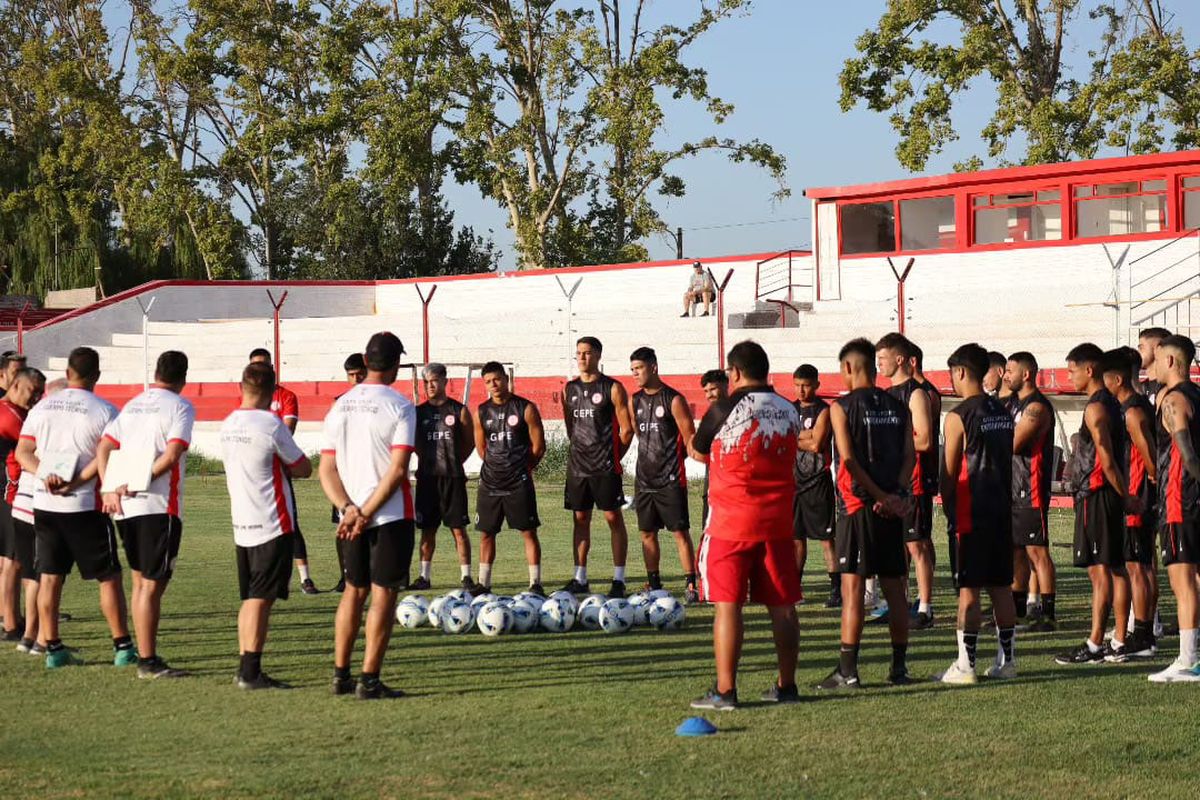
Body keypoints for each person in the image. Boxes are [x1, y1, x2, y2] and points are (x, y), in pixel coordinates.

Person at [689, 340, 801, 709]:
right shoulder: (789, 409)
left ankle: (726, 690)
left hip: (730, 523)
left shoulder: (724, 406)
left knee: (728, 607)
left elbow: (699, 447)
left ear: (734, 373)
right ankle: (787, 687)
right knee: (783, 607)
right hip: (779, 523)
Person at [15, 346, 131, 668]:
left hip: (45, 503)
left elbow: (24, 452)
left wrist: (46, 476)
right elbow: (106, 457)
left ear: (67, 373)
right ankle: (122, 646)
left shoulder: (42, 407)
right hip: (84, 506)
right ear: (96, 376)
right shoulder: (105, 411)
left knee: (49, 576)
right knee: (108, 576)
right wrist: (77, 482)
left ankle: (53, 649)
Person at [319, 332, 416, 700]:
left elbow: (326, 470)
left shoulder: (340, 405)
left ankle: (340, 675)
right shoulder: (400, 405)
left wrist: (348, 510)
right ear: (395, 364)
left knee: (352, 594)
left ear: (365, 358)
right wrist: (367, 513)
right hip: (388, 516)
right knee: (383, 597)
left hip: (349, 518)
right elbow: (396, 472)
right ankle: (369, 680)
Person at [818, 338, 914, 689]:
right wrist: (896, 494)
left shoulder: (841, 407)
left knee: (853, 589)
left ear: (848, 368)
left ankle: (848, 670)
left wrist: (878, 496)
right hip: (890, 508)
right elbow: (910, 457)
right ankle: (899, 670)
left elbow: (848, 461)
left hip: (857, 507)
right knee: (894, 589)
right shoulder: (898, 406)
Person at [94, 351, 195, 679]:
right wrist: (139, 479)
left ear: (156, 372)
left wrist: (109, 486)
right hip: (157, 505)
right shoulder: (180, 406)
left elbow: (104, 447)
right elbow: (173, 453)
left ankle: (144, 654)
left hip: (126, 509)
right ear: (183, 378)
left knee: (141, 583)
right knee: (152, 585)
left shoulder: (134, 404)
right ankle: (148, 661)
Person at [220, 362, 312, 689]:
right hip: (271, 521)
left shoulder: (228, 424)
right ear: (273, 391)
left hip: (241, 522)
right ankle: (250, 671)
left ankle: (245, 664)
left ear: (241, 387)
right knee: (262, 598)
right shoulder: (271, 425)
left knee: (251, 597)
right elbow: (301, 468)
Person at [937, 343, 1017, 684]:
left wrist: (949, 508)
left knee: (968, 590)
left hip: (972, 511)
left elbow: (949, 472)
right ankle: (1007, 661)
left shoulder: (958, 416)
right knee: (1001, 587)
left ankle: (965, 664)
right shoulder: (1002, 411)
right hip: (1001, 510)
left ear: (959, 372)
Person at [1056, 343, 1131, 665]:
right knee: (1114, 568)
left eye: (1072, 370)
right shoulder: (1109, 404)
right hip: (1102, 495)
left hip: (1098, 495)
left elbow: (1106, 458)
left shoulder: (1097, 407)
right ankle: (1118, 640)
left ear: (1089, 370)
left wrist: (1125, 496)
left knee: (1102, 572)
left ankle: (1096, 643)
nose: (1068, 376)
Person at [560, 336, 633, 597]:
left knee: (613, 518)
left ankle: (618, 580)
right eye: (579, 353)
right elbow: (571, 428)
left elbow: (626, 430)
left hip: (605, 468)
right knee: (580, 520)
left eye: (587, 353)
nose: (582, 358)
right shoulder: (568, 389)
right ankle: (580, 578)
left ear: (599, 355)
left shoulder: (613, 388)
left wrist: (613, 456)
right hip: (578, 468)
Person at [1100, 347, 1159, 661]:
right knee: (1141, 566)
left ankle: (1143, 635)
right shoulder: (1129, 407)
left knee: (1137, 567)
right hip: (1137, 494)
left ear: (1117, 379)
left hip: (1138, 496)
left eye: (1104, 379)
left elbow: (1149, 457)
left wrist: (1147, 489)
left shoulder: (1132, 411)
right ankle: (1144, 632)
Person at [875, 333, 936, 629]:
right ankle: (898, 603)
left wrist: (893, 445)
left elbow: (924, 439)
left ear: (899, 359)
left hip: (915, 481)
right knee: (897, 546)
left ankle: (925, 608)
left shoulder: (916, 393)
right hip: (892, 482)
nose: (878, 365)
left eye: (882, 359)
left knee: (917, 545)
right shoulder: (886, 395)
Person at [1148, 334, 1200, 682]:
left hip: (1179, 499)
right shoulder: (1198, 395)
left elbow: (1188, 455)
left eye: (1155, 358)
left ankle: (1187, 659)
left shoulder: (1174, 400)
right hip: (1191, 498)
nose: (1151, 365)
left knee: (1183, 581)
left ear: (1170, 361)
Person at [628, 347, 698, 602]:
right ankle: (654, 583)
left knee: (679, 532)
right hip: (644, 480)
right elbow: (639, 434)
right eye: (633, 370)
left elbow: (689, 439)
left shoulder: (673, 399)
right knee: (647, 533)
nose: (635, 374)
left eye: (639, 369)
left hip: (670, 479)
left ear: (653, 367)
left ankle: (691, 584)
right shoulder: (634, 400)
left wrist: (670, 462)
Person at [247, 348, 317, 594]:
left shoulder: (285, 396)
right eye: (255, 367)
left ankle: (304, 578)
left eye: (264, 366)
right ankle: (265, 577)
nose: (261, 372)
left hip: (279, 471)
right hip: (253, 474)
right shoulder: (245, 400)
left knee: (290, 524)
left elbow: (286, 433)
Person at [473, 361, 546, 595]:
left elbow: (539, 447)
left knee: (528, 532)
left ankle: (535, 583)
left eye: (496, 379)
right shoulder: (481, 411)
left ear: (505, 378)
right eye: (488, 382)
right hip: (490, 483)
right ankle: (483, 584)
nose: (493, 385)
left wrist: (523, 469)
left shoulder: (525, 408)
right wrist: (497, 467)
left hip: (518, 483)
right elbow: (481, 449)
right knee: (486, 534)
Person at [1004, 352, 1059, 632]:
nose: (1005, 375)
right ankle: (1017, 612)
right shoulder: (1014, 404)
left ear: (1026, 374)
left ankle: (1047, 615)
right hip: (1012, 486)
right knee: (1016, 551)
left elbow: (1013, 443)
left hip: (1030, 487)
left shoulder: (1037, 406)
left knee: (1037, 551)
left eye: (1010, 370)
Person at [410, 363, 476, 593]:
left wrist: (454, 461)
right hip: (427, 479)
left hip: (453, 479)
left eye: (434, 381)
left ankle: (466, 576)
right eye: (426, 382)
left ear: (445, 381)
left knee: (458, 529)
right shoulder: (418, 412)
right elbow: (416, 444)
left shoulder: (459, 410)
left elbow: (470, 442)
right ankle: (424, 576)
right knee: (427, 530)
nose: (430, 386)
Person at [0, 368, 43, 641]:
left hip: (5, 492)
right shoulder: (12, 416)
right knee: (13, 561)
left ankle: (10, 618)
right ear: (16, 386)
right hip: (9, 494)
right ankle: (11, 624)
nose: (36, 397)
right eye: (32, 390)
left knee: (8, 560)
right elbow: (31, 449)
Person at [791, 364, 839, 608]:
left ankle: (836, 589)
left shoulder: (824, 410)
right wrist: (804, 438)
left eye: (806, 385)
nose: (801, 390)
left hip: (818, 480)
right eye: (797, 384)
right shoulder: (789, 409)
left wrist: (796, 438)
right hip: (793, 483)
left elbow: (818, 444)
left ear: (817, 385)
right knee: (796, 539)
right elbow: (786, 438)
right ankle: (795, 589)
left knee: (826, 539)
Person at [698, 369, 729, 527]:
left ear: (726, 386)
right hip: (712, 482)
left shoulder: (740, 412)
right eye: (706, 391)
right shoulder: (710, 416)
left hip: (734, 485)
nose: (709, 395)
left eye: (713, 389)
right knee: (708, 530)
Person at [1137, 327, 1171, 406]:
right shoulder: (1142, 387)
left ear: (1157, 349)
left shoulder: (1169, 388)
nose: (1137, 353)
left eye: (1141, 348)